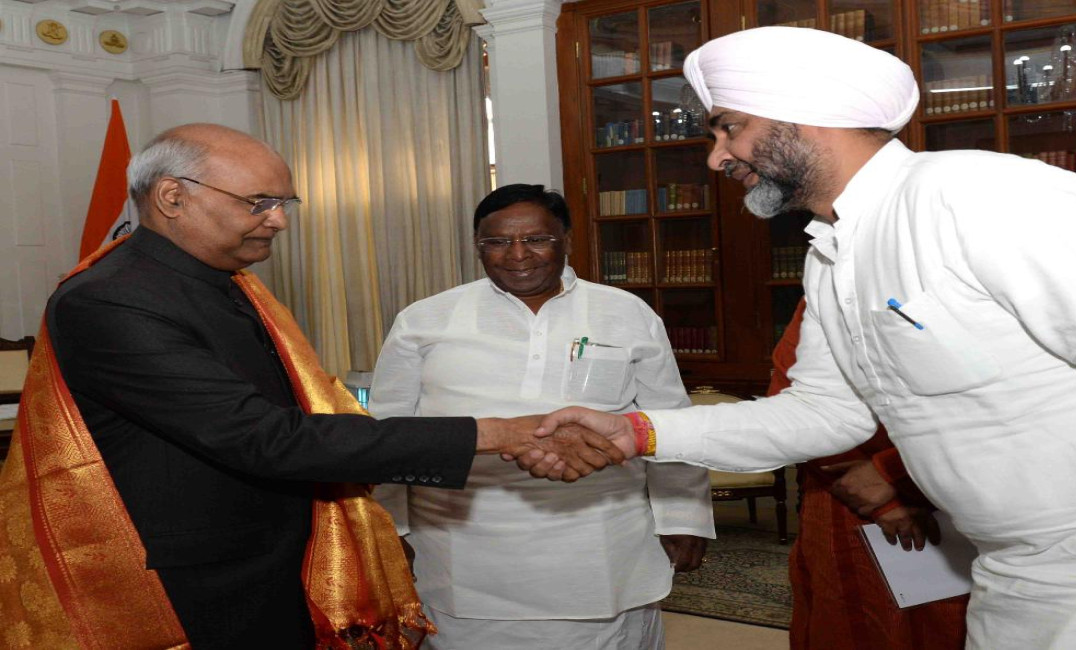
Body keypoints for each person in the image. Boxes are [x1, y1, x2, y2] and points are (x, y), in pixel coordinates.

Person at [535, 26, 1076, 649]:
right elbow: (825, 415)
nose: (718, 157)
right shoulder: (834, 251)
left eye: (729, 127)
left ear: (805, 114)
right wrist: (636, 432)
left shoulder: (981, 197)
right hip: (1017, 570)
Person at [0, 124, 621, 649]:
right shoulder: (112, 300)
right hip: (198, 584)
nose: (278, 220)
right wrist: (497, 433)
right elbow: (267, 438)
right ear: (172, 197)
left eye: (282, 203)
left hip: (273, 558)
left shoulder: (224, 284)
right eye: (259, 202)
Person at [369, 183, 714, 650]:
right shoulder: (425, 320)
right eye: (496, 242)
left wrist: (684, 517)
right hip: (464, 553)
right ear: (477, 246)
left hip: (603, 544)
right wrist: (392, 530)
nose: (517, 255)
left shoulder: (625, 313)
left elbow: (668, 422)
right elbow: (389, 435)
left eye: (536, 239)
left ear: (566, 239)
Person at [773, 298, 967, 649]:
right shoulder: (830, 285)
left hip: (976, 481)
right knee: (858, 623)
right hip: (849, 494)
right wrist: (879, 492)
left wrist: (894, 470)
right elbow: (793, 399)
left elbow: (1016, 396)